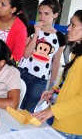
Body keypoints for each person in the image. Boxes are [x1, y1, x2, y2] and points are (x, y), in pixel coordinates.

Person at [32, 10, 82, 138]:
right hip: (61, 121)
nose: (68, 28)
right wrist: (54, 92)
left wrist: (52, 111)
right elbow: (68, 84)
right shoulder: (76, 54)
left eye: (73, 25)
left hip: (71, 128)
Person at [18, 0, 66, 113]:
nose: (42, 16)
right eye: (40, 13)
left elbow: (55, 63)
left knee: (31, 111)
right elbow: (25, 54)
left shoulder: (59, 37)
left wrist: (52, 86)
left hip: (40, 79)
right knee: (16, 106)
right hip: (23, 72)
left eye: (46, 13)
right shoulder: (32, 29)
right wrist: (36, 34)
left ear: (55, 15)